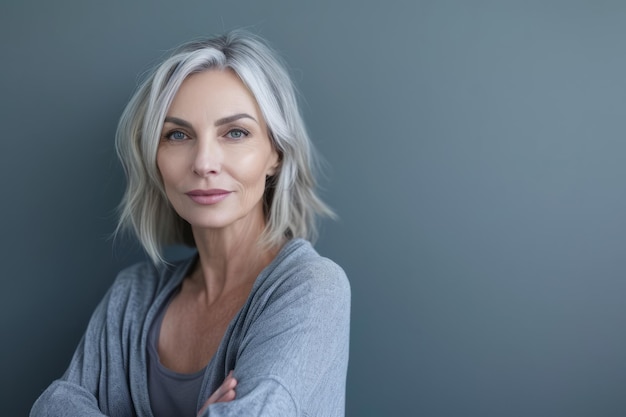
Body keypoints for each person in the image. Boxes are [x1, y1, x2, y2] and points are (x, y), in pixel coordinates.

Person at [30, 30, 350, 417]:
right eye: (178, 135)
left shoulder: (311, 289)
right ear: (154, 157)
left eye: (235, 132)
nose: (203, 162)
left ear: (275, 154)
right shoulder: (132, 296)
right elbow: (53, 406)